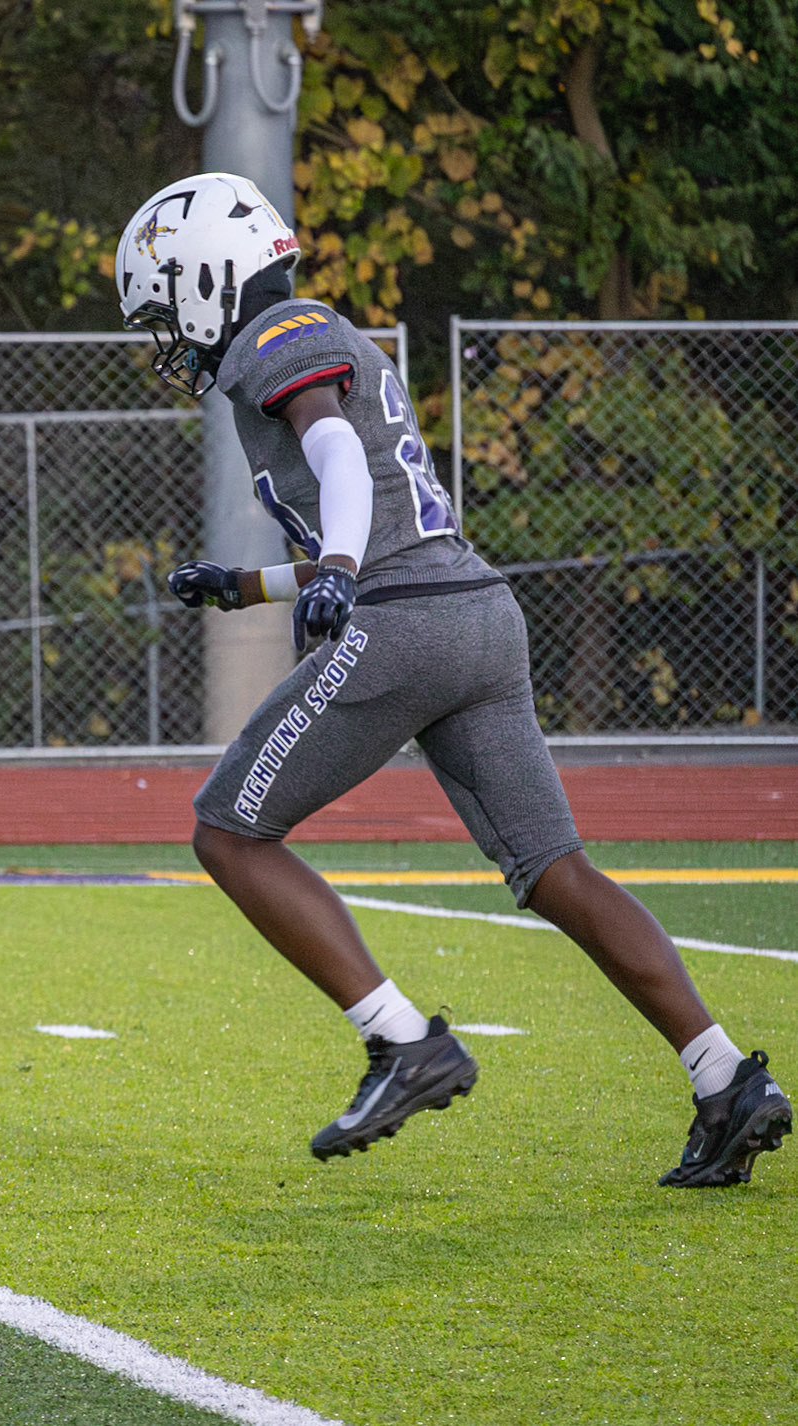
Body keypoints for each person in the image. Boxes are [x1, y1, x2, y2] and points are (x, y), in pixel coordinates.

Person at [114, 171, 790, 1187]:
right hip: (478, 614)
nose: (167, 337)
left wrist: (337, 573)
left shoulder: (273, 337)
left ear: (210, 275)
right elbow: (383, 509)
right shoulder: (326, 331)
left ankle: (400, 1042)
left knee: (226, 831)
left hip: (405, 623)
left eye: (165, 310)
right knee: (558, 870)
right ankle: (725, 1076)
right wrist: (249, 583)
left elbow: (338, 458)